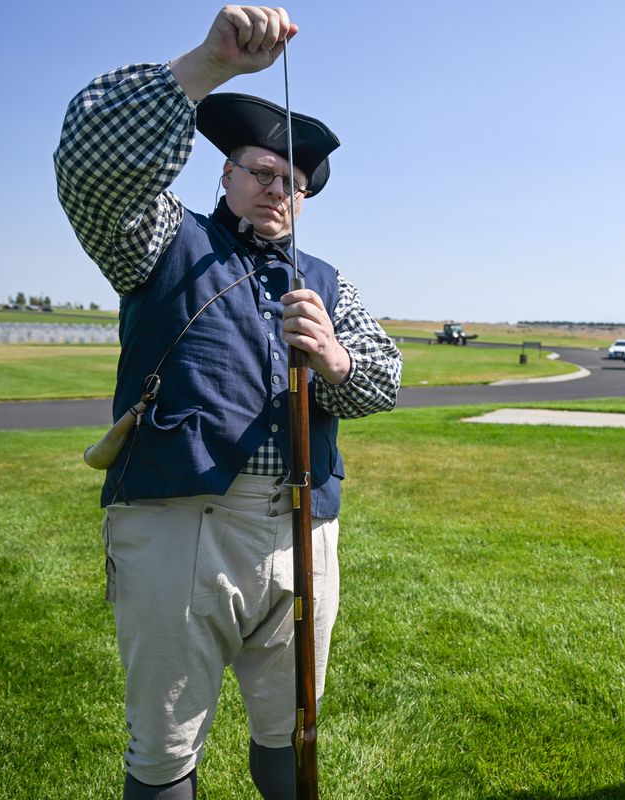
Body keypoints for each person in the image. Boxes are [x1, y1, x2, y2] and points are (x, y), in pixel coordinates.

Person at [54, 7, 402, 799]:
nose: (279, 190)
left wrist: (336, 358)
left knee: (291, 728)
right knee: (165, 744)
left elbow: (385, 379)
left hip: (303, 526)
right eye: (262, 172)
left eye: (294, 183)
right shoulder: (163, 240)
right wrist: (207, 66)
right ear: (225, 175)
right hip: (183, 526)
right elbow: (90, 164)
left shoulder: (326, 280)